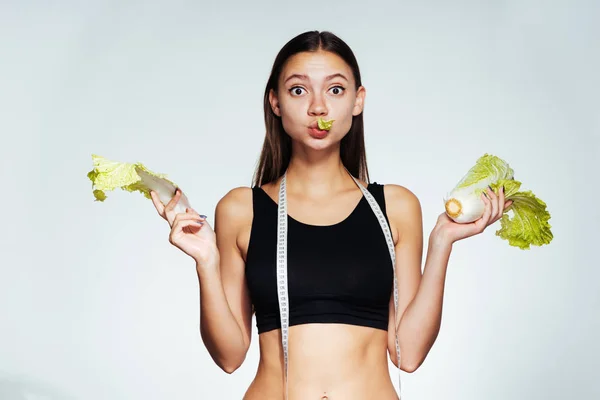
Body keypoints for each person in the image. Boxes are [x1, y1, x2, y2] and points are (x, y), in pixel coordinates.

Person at [149, 30, 512, 400]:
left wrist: (441, 243)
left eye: (335, 90)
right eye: (298, 90)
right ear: (275, 102)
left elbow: (409, 354)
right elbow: (229, 356)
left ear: (358, 100)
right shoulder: (242, 209)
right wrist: (207, 262)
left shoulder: (396, 207)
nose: (318, 108)